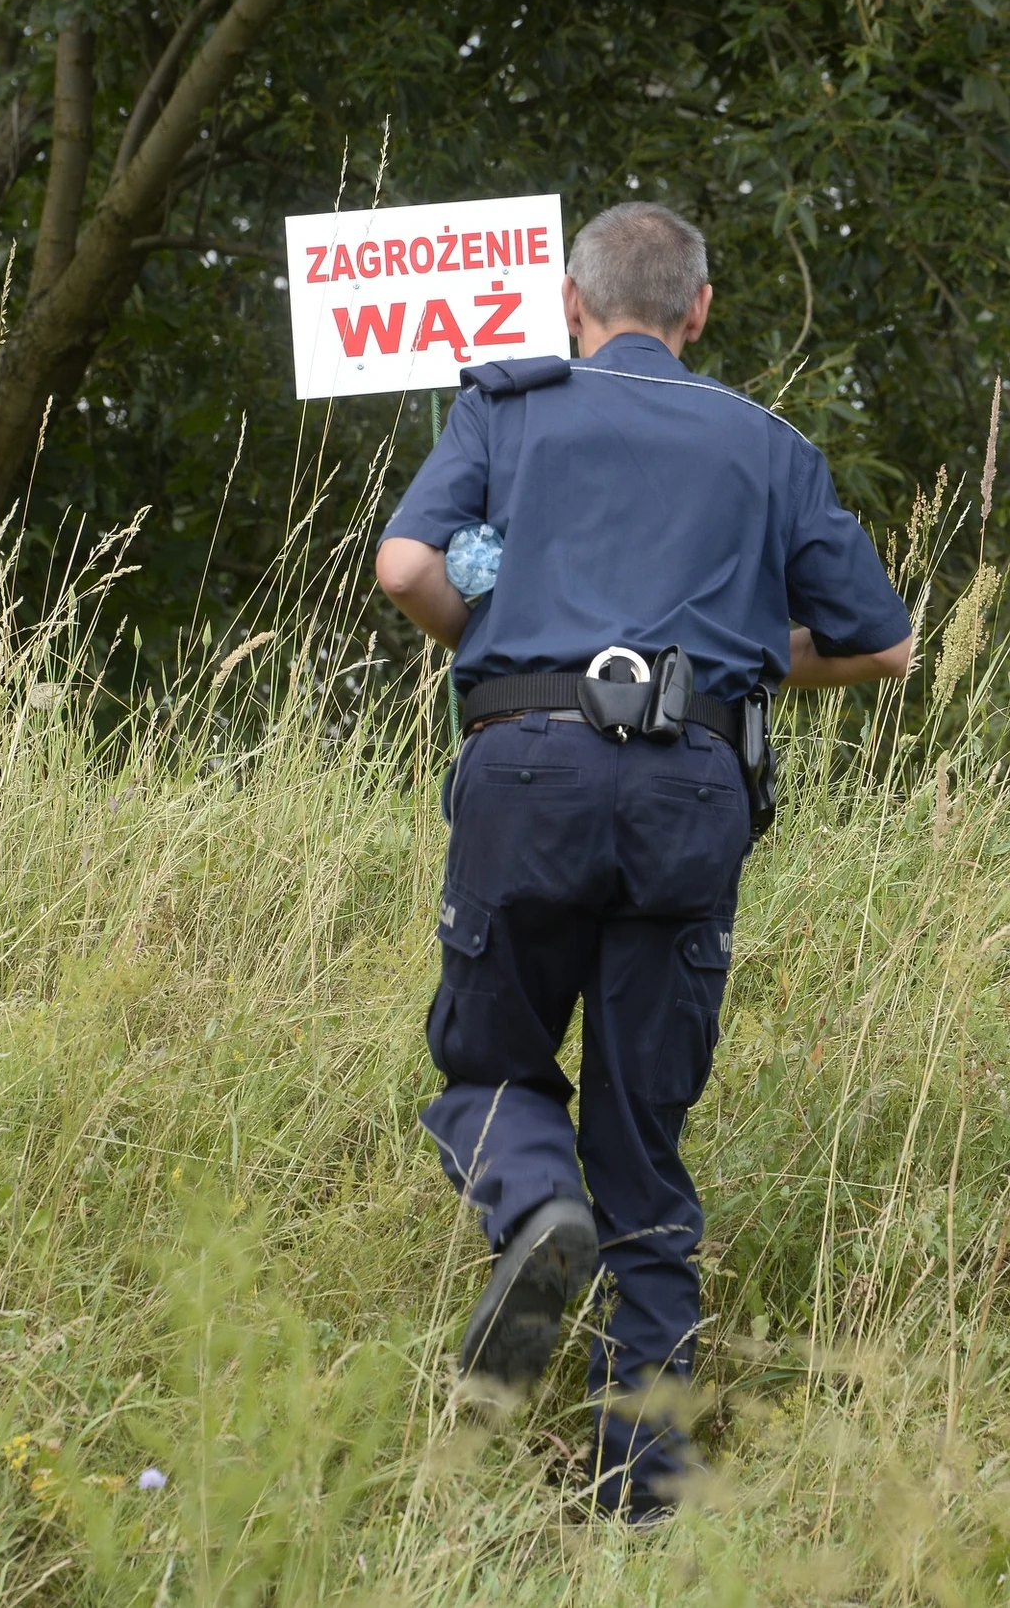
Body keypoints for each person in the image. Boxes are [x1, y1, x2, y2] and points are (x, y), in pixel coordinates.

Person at [375, 201, 912, 1523]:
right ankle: (643, 1506)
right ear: (700, 310)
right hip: (688, 788)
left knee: (492, 1066)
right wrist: (732, 656)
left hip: (529, 769)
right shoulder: (768, 444)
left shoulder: (507, 407)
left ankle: (533, 1208)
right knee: (646, 1146)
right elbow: (886, 645)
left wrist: (487, 634)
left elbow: (403, 568)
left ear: (572, 301)